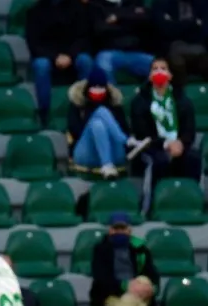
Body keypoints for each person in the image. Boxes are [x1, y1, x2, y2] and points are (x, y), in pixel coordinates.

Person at [129, 56, 201, 194]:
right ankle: (152, 204)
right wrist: (165, 144)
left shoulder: (182, 100)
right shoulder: (140, 101)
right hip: (151, 146)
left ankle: (191, 198)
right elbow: (141, 133)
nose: (159, 72)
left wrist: (179, 143)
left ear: (170, 75)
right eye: (155, 69)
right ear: (150, 76)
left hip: (178, 145)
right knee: (159, 160)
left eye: (163, 68)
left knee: (193, 158)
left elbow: (189, 130)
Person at [67, 66, 144, 179]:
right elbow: (75, 131)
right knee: (98, 121)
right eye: (94, 87)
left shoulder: (114, 103)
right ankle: (127, 141)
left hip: (114, 153)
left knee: (100, 117)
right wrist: (92, 114)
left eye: (101, 87)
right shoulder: (79, 104)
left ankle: (107, 164)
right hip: (86, 152)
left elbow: (124, 127)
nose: (98, 90)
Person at [25, 0, 94, 126]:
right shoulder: (35, 11)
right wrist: (55, 57)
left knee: (86, 61)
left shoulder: (77, 8)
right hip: (48, 57)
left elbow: (83, 37)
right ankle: (44, 114)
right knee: (41, 65)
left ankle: (87, 109)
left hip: (72, 55)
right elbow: (34, 43)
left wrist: (70, 55)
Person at [89, 212, 159, 306]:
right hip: (111, 296)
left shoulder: (140, 249)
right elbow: (101, 279)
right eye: (116, 228)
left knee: (143, 280)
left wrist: (151, 289)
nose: (119, 232)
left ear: (129, 230)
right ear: (110, 230)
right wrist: (126, 286)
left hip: (141, 292)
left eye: (123, 228)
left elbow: (153, 274)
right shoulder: (101, 250)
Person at [90, 0, 155, 85]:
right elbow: (100, 29)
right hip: (111, 52)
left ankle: (152, 96)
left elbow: (145, 19)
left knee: (159, 65)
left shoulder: (135, 3)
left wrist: (119, 18)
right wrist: (129, 24)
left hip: (137, 52)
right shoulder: (97, 5)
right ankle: (112, 95)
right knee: (103, 61)